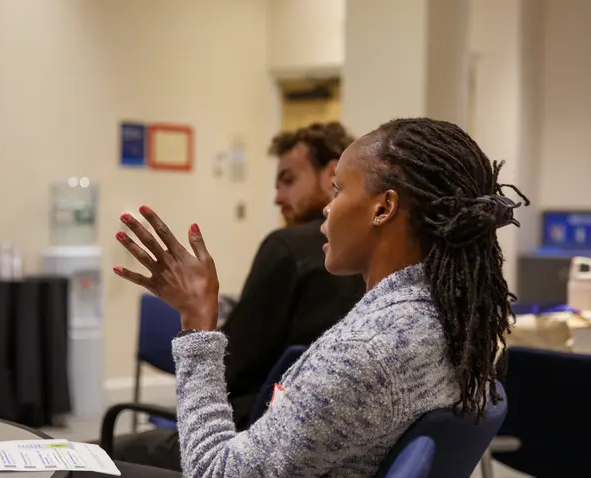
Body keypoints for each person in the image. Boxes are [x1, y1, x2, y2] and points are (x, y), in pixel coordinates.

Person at [113, 117, 528, 476]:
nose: (327, 210)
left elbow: (216, 472)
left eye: (336, 190)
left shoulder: (369, 350)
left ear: (383, 208)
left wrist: (196, 322)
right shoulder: (441, 319)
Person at [111, 122, 365, 469]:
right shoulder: (373, 277)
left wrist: (199, 321)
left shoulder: (287, 249)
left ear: (331, 174)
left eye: (288, 181)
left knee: (92, 452)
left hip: (245, 437)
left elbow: (230, 371)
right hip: (309, 445)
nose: (277, 198)